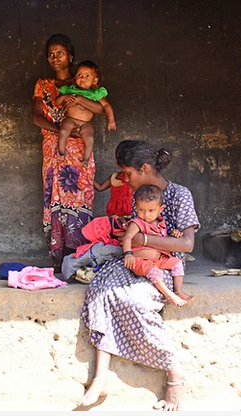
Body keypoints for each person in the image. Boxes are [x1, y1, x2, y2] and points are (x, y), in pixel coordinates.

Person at [79, 140, 200, 410]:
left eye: (128, 173)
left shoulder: (179, 195)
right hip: (134, 261)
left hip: (163, 267)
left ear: (144, 168)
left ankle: (174, 373)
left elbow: (186, 244)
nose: (124, 179)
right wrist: (129, 237)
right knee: (101, 290)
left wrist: (144, 238)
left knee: (135, 301)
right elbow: (134, 238)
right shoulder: (139, 198)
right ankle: (100, 378)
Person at [32, 34, 106, 271]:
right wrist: (60, 130)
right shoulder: (43, 85)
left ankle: (79, 255)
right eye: (51, 54)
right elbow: (35, 116)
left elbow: (101, 108)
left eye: (60, 53)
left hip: (79, 149)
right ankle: (57, 257)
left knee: (80, 194)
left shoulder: (83, 81)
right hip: (55, 147)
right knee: (53, 197)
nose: (55, 58)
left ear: (70, 56)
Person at [122, 184, 193, 307]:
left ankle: (178, 290)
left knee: (177, 263)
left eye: (151, 211)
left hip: (158, 259)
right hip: (140, 261)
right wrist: (128, 254)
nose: (146, 215)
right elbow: (127, 237)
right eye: (141, 210)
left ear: (160, 209)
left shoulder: (161, 224)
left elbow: (162, 239)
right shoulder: (137, 223)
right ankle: (168, 294)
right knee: (153, 270)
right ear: (136, 208)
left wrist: (173, 234)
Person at [55, 60, 116, 166]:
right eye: (79, 75)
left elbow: (106, 106)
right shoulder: (69, 90)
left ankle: (86, 160)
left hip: (86, 123)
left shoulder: (95, 93)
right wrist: (65, 97)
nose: (82, 78)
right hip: (70, 119)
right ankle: (61, 153)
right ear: (75, 78)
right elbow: (57, 101)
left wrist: (111, 121)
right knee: (63, 131)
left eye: (87, 76)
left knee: (90, 138)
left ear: (94, 80)